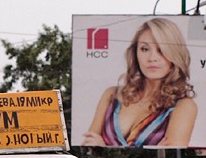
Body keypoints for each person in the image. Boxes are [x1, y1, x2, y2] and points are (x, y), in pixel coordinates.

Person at [82, 18, 197, 147]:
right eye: (144, 49)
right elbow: (89, 146)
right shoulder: (112, 95)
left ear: (174, 54)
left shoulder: (184, 107)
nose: (152, 58)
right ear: (135, 53)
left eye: (161, 50)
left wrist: (104, 149)